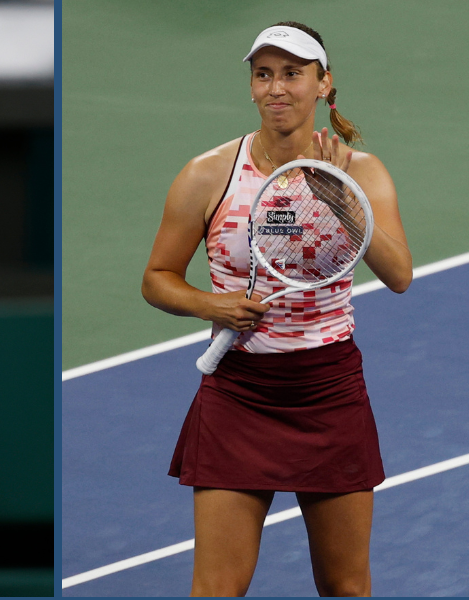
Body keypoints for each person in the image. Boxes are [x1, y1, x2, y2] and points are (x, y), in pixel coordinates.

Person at [141, 22, 413, 597]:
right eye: (263, 75)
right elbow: (157, 279)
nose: (276, 88)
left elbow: (399, 276)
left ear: (323, 84)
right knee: (215, 589)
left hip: (329, 390)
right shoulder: (207, 175)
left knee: (345, 587)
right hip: (238, 394)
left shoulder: (361, 174)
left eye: (292, 73)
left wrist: (339, 195)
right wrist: (213, 304)